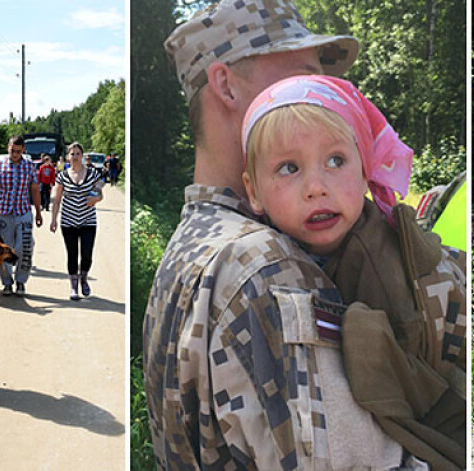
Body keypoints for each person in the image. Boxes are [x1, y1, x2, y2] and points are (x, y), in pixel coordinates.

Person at [141, 0, 434, 469]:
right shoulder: (264, 265)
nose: (321, 96)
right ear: (226, 86)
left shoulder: (187, 245)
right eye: (301, 75)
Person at [242, 75, 466, 470]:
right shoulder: (259, 269)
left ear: (366, 170)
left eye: (336, 161)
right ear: (253, 191)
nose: (316, 186)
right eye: (289, 168)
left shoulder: (405, 270)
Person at [0, 135, 42, 296]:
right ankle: (7, 283)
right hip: (4, 213)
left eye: (18, 151)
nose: (15, 154)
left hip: (23, 212)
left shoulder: (30, 166)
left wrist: (38, 212)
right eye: (12, 151)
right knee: (0, 250)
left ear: (23, 150)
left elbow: (34, 190)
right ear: (8, 148)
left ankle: (20, 281)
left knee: (24, 247)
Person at [50, 142, 103, 300]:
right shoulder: (62, 176)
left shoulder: (92, 174)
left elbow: (99, 193)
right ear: (68, 157)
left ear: (83, 155)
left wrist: (96, 198)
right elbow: (57, 200)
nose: (75, 157)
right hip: (69, 221)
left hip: (88, 221)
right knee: (72, 254)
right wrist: (53, 219)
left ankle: (84, 279)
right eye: (72, 154)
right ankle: (73, 286)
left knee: (86, 254)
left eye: (78, 154)